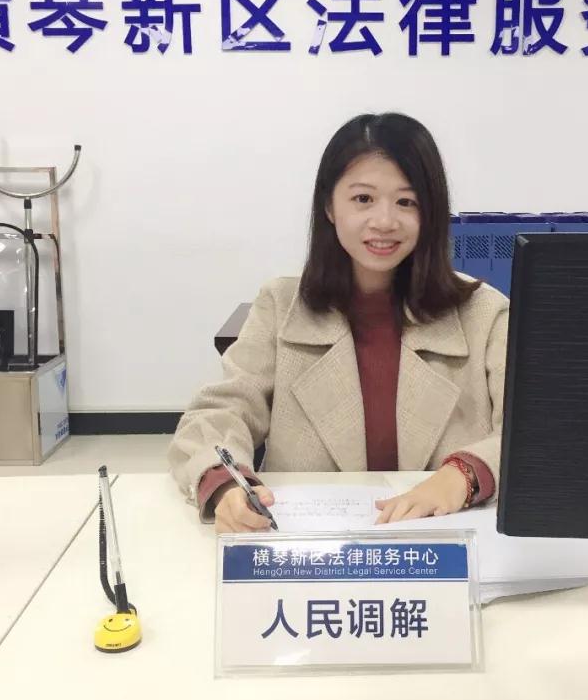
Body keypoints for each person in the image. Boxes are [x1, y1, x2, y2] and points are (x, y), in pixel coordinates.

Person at [167, 112, 509, 533]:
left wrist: (465, 474)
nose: (384, 221)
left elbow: (534, 433)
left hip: (449, 544)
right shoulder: (280, 305)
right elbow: (219, 412)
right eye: (363, 199)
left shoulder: (485, 313)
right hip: (312, 548)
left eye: (407, 202)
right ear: (329, 205)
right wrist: (226, 485)